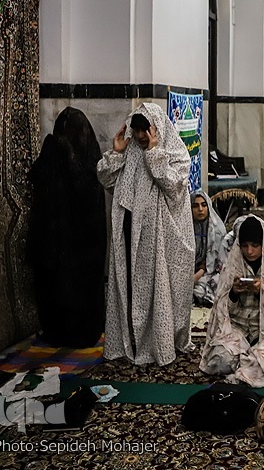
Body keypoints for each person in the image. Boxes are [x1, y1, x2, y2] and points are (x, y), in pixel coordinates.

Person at [96, 103, 194, 365]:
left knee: (157, 290)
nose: (140, 136)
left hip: (159, 238)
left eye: (145, 130)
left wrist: (154, 154)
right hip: (129, 231)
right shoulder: (129, 153)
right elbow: (107, 181)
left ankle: (158, 343)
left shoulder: (176, 154)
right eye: (136, 130)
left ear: (156, 128)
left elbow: (174, 188)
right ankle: (132, 340)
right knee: (130, 286)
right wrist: (116, 153)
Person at [27, 107, 106, 347]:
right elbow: (37, 180)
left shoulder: (89, 159)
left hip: (83, 246)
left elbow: (87, 193)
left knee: (80, 288)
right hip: (55, 242)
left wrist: (68, 154)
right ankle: (57, 332)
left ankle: (80, 333)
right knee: (55, 286)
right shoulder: (53, 155)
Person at [200, 216, 264, 386]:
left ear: (263, 244)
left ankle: (248, 361)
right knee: (220, 360)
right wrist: (234, 293)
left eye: (255, 245)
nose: (249, 251)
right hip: (239, 328)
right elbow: (221, 312)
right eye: (244, 246)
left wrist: (263, 293)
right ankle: (245, 361)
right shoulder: (233, 265)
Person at [191, 189, 226, 307]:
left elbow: (220, 262)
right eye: (195, 206)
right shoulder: (185, 230)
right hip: (189, 272)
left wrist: (200, 273)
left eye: (203, 205)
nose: (200, 209)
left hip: (212, 273)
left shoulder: (218, 230)